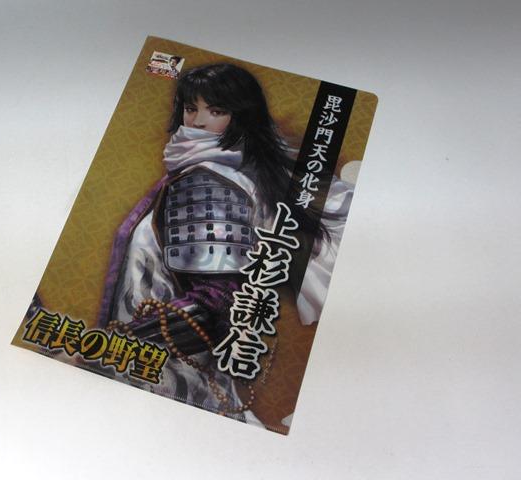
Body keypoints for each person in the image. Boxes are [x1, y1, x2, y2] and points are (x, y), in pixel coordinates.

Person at [96, 63, 352, 422]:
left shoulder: (206, 180)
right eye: (191, 108)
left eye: (216, 111)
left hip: (168, 376)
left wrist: (115, 346)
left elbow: (214, 301)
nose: (197, 122)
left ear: (241, 118)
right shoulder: (218, 172)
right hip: (166, 373)